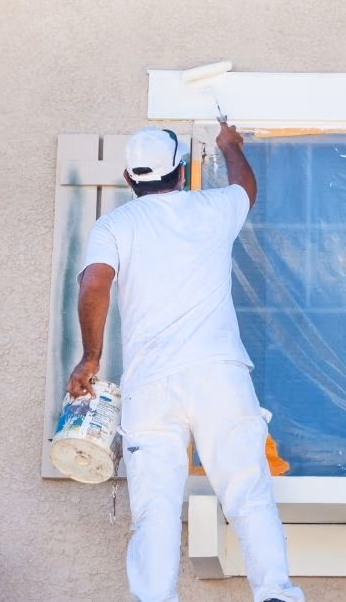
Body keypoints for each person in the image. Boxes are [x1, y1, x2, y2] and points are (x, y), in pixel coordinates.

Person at [67, 122, 302, 602]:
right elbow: (245, 188)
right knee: (246, 491)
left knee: (154, 510)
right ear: (180, 172)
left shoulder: (115, 225)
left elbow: (94, 284)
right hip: (218, 376)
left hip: (151, 388)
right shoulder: (211, 208)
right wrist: (230, 145)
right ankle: (275, 593)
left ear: (129, 180)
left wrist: (90, 358)